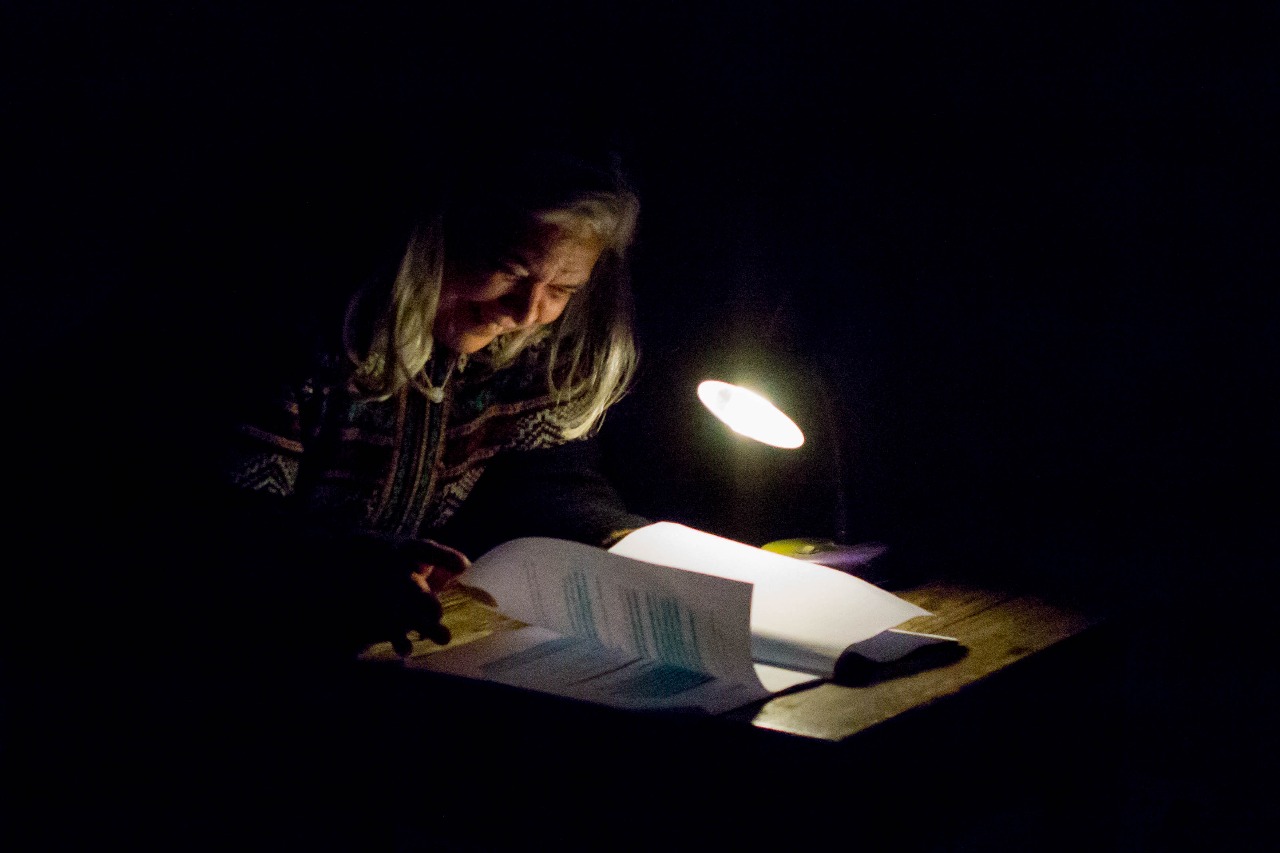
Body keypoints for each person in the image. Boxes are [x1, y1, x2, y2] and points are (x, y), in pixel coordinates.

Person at [212, 142, 652, 659]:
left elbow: (546, 482)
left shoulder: (529, 352)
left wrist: (623, 542)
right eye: (509, 269)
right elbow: (227, 525)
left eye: (563, 289)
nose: (526, 312)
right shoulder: (298, 338)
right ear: (436, 239)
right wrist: (342, 568)